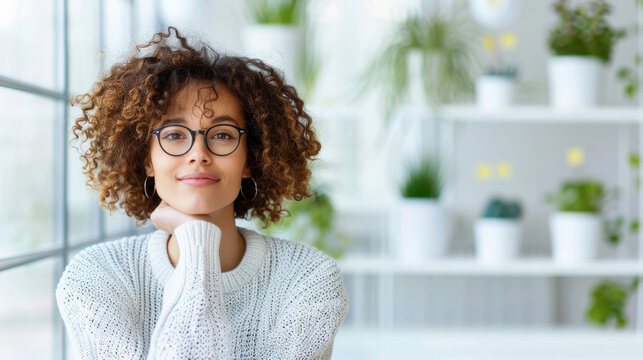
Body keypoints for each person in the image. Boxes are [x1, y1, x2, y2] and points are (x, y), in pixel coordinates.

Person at [55, 27, 349, 359]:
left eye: (223, 135)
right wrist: (196, 244)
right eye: (175, 135)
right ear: (146, 158)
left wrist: (194, 243)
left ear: (250, 158)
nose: (198, 153)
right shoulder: (98, 276)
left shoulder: (307, 279)